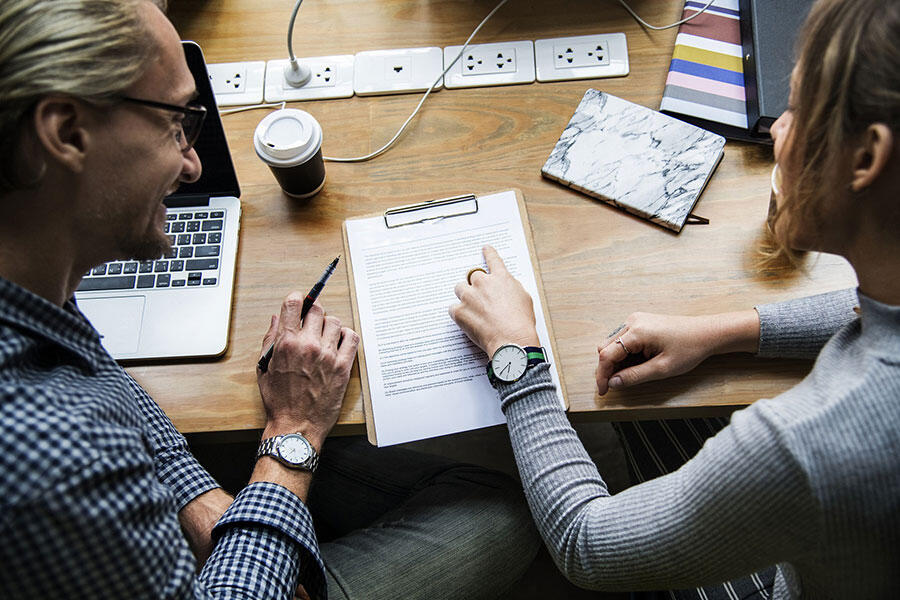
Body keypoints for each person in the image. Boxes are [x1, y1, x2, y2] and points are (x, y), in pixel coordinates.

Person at [0, 1, 538, 598]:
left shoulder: (27, 277)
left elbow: (92, 374)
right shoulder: (52, 461)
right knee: (509, 510)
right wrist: (293, 433)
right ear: (66, 132)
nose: (191, 162)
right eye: (173, 125)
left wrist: (196, 497)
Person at [449, 0, 900, 597]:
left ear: (867, 158)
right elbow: (876, 314)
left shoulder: (803, 445)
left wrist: (518, 356)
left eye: (798, 108)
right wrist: (724, 332)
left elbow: (588, 545)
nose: (775, 129)